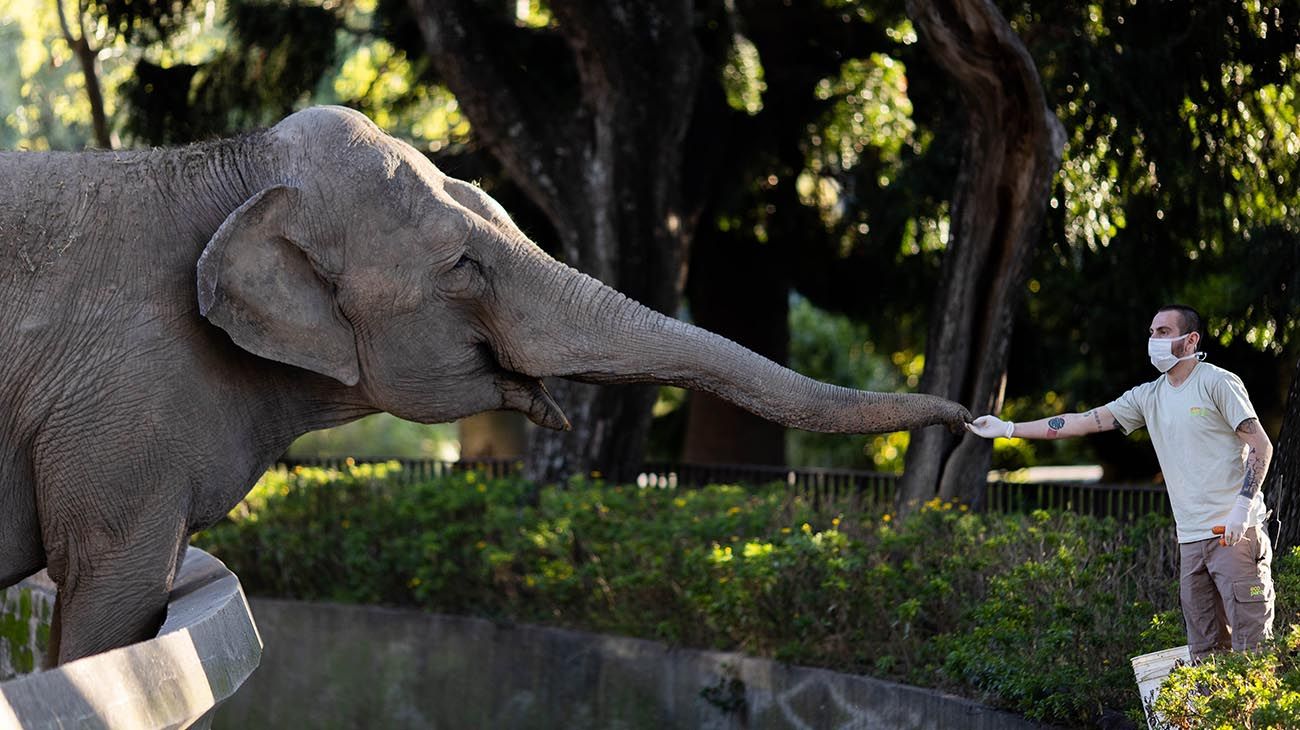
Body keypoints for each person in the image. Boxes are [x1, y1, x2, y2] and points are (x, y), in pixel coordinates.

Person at [968, 305, 1274, 659]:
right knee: (1206, 655)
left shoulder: (1217, 382)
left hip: (1234, 535)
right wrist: (1007, 429)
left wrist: (1242, 508)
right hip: (1190, 540)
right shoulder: (1148, 396)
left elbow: (1260, 445)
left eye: (1163, 331)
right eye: (1151, 332)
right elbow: (1082, 422)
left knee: (1253, 652)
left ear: (1190, 340)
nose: (1153, 339)